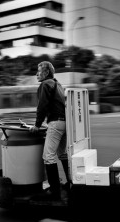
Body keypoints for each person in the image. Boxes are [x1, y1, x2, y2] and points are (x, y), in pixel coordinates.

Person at [29, 61, 69, 200]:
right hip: (65, 123)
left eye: (38, 71)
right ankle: (70, 184)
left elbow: (42, 106)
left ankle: (54, 191)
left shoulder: (45, 84)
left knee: (48, 156)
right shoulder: (58, 84)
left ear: (46, 73)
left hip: (56, 123)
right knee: (62, 154)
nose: (36, 74)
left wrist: (37, 125)